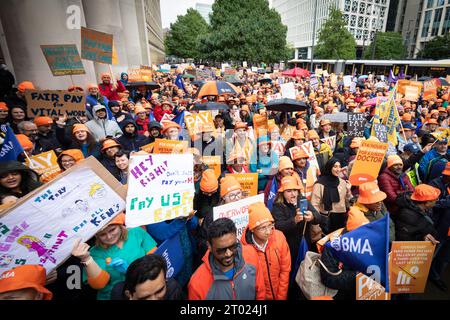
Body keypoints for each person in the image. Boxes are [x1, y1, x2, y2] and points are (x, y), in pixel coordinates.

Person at [71, 213, 158, 300]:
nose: (109, 237)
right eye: (102, 234)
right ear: (96, 235)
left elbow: (157, 260)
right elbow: (99, 284)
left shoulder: (136, 232)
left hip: (148, 288)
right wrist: (87, 259)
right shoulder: (94, 253)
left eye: (112, 230)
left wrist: (131, 271)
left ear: (120, 225)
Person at [188, 217, 265, 300]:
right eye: (221, 250)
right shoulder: (197, 284)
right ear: (209, 246)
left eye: (233, 247)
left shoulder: (251, 254)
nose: (228, 254)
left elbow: (260, 291)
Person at [272, 176, 326, 277]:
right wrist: (294, 220)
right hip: (287, 247)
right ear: (282, 192)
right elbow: (278, 226)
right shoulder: (278, 205)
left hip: (304, 243)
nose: (293, 194)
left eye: (295, 190)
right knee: (291, 273)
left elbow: (318, 217)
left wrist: (312, 217)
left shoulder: (303, 200)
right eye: (289, 191)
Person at [241, 202, 291, 300]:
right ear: (252, 229)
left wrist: (281, 297)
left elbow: (285, 270)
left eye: (270, 225)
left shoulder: (279, 237)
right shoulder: (244, 250)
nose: (268, 231)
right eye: (263, 228)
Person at [319, 209, 370, 300]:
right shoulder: (332, 247)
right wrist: (357, 276)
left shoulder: (368, 241)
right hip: (343, 294)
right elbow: (328, 278)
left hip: (366, 292)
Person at [111, 254, 184, 300]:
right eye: (144, 298)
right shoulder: (118, 294)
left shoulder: (173, 289)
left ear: (165, 280)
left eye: (159, 291)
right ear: (129, 294)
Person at [310, 158, 352, 233]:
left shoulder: (343, 182)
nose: (338, 169)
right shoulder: (319, 184)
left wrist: (348, 191)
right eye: (335, 166)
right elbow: (314, 205)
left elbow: (348, 203)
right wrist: (315, 225)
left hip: (341, 219)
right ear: (329, 167)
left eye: (339, 166)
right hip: (326, 219)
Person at [428, 163, 450, 292]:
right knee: (432, 255)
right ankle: (424, 276)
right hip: (439, 228)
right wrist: (446, 202)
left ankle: (436, 276)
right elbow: (429, 203)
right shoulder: (434, 184)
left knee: (445, 258)